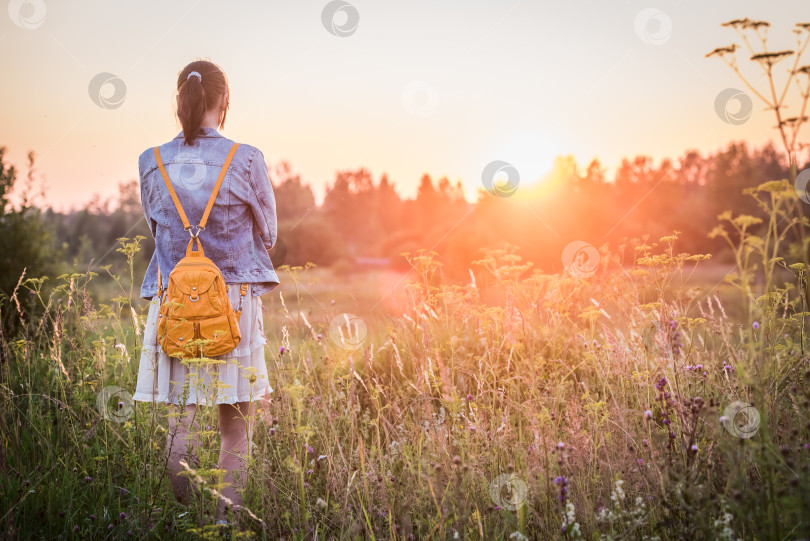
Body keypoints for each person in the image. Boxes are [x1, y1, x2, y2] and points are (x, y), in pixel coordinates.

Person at [132, 59, 280, 526]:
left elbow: (159, 229)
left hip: (174, 302)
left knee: (181, 420)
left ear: (180, 101)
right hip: (231, 304)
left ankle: (179, 524)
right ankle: (224, 525)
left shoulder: (151, 162)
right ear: (224, 101)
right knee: (235, 425)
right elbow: (270, 233)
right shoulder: (247, 158)